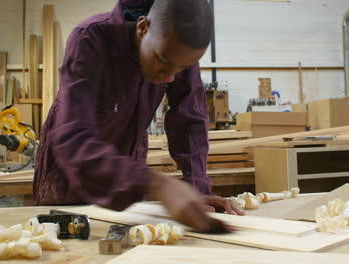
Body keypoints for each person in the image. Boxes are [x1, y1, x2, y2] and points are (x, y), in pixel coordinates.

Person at [34, 0, 243, 233]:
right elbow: (73, 138)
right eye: (163, 63)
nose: (169, 78)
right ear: (142, 28)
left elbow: (189, 120)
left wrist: (197, 190)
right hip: (69, 180)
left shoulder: (175, 48)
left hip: (129, 183)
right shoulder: (91, 39)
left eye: (181, 69)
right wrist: (156, 184)